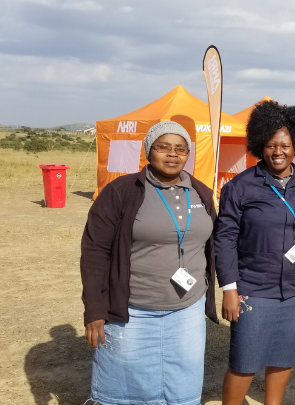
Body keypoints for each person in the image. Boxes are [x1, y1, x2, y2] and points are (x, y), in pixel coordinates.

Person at [80, 120, 219, 405]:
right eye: (163, 147)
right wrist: (94, 308)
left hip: (187, 311)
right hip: (132, 311)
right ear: (148, 151)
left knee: (181, 386)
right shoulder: (121, 191)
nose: (172, 154)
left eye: (180, 149)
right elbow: (94, 251)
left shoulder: (201, 192)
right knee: (125, 387)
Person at [214, 100, 295, 405]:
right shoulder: (241, 187)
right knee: (244, 361)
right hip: (253, 288)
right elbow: (225, 239)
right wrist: (229, 289)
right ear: (260, 144)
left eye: (285, 145)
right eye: (271, 145)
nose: (278, 152)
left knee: (284, 356)